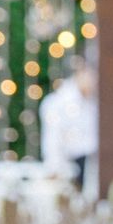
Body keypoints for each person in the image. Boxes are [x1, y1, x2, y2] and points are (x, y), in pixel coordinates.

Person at [41, 59, 98, 192]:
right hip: (68, 168)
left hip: (90, 166)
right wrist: (54, 168)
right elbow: (52, 139)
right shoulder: (59, 102)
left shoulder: (92, 103)